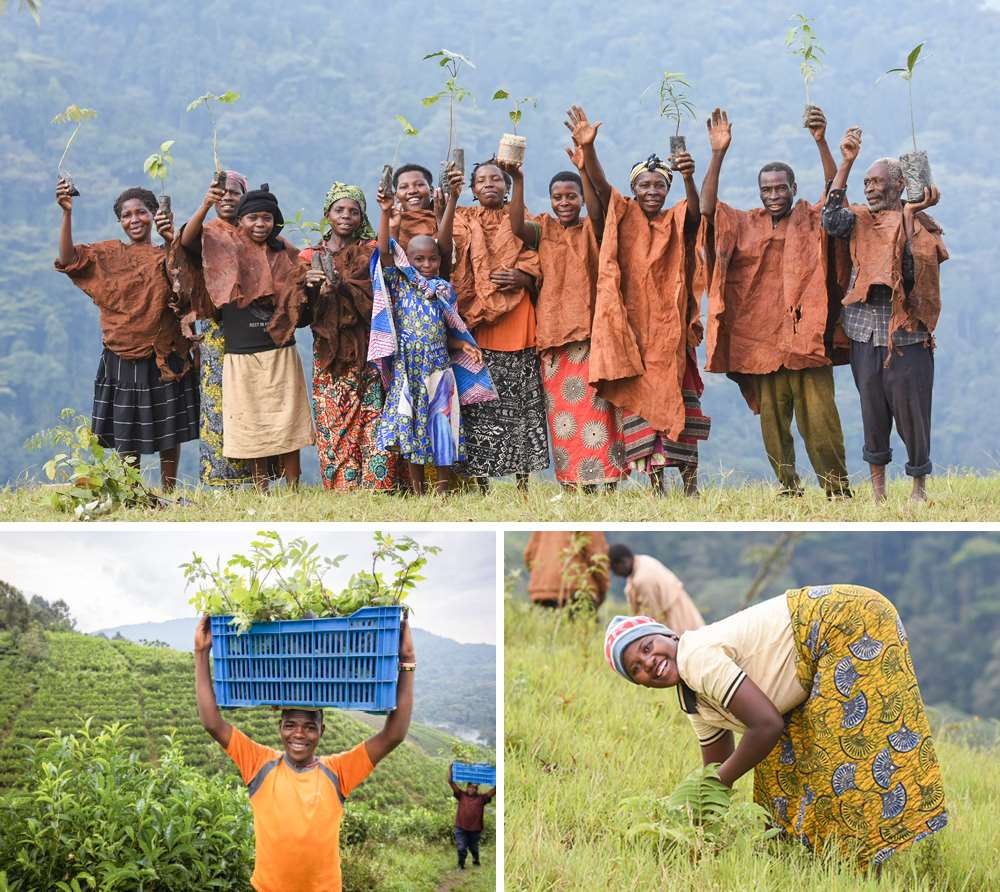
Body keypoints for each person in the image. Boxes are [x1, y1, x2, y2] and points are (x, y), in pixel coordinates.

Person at [604, 584, 947, 867]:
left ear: (667, 635)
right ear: (640, 684)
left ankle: (862, 863)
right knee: (778, 770)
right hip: (820, 649)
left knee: (840, 756)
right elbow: (716, 772)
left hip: (848, 621)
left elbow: (766, 726)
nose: (649, 662)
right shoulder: (692, 698)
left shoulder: (695, 657)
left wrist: (715, 785)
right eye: (636, 669)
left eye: (647, 647)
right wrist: (690, 825)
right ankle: (802, 861)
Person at [194, 613, 415, 892]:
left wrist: (407, 661)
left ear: (322, 730)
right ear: (280, 728)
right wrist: (201, 653)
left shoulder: (338, 771)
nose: (299, 734)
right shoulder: (259, 764)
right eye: (290, 725)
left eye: (310, 727)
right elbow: (212, 723)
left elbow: (393, 735)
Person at [699, 107, 851, 497]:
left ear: (793, 187)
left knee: (821, 420)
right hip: (761, 343)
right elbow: (707, 209)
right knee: (773, 423)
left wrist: (821, 142)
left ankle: (836, 489)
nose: (774, 195)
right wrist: (717, 153)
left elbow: (835, 195)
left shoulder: (811, 218)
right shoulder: (744, 223)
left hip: (806, 339)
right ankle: (788, 486)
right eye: (767, 190)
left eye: (780, 188)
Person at [570, 106, 709, 496]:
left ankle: (691, 485)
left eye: (658, 186)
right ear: (634, 189)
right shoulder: (623, 214)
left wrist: (688, 177)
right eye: (644, 185)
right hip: (633, 337)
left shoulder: (676, 218)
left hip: (671, 336)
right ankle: (656, 487)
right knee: (641, 410)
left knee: (683, 405)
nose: (651, 191)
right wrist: (589, 150)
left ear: (667, 190)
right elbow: (600, 188)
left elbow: (697, 212)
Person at [822, 129, 947, 503]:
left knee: (913, 415)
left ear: (898, 185)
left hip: (907, 337)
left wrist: (909, 215)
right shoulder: (859, 220)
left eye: (877, 182)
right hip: (864, 335)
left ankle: (918, 489)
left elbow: (911, 274)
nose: (870, 189)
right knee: (872, 411)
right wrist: (846, 163)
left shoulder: (922, 226)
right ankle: (879, 493)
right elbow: (831, 219)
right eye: (866, 183)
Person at [54, 180, 198, 492]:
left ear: (155, 214)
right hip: (121, 352)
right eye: (126, 215)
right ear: (120, 221)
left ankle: (169, 491)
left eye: (141, 212)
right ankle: (132, 490)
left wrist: (171, 238)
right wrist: (67, 213)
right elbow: (68, 260)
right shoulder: (108, 255)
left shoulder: (168, 253)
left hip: (164, 351)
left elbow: (190, 284)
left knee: (169, 425)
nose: (134, 220)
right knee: (127, 427)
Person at [504, 136, 627, 490]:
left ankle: (606, 480)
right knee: (563, 415)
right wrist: (518, 180)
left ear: (580, 199)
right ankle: (572, 482)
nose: (564, 203)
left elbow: (598, 210)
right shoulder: (543, 228)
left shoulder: (593, 228)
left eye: (571, 196)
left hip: (589, 335)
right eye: (558, 197)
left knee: (598, 410)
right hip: (554, 337)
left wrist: (584, 170)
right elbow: (517, 227)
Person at [180, 183, 313, 490]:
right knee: (250, 419)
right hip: (240, 350)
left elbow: (301, 290)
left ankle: (293, 487)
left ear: (275, 221)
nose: (259, 224)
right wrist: (205, 205)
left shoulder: (283, 251)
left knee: (288, 416)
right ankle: (259, 486)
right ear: (239, 221)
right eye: (252, 218)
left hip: (279, 347)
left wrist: (312, 284)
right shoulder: (223, 247)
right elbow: (187, 242)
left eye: (266, 218)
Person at [368, 182, 497, 494]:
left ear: (440, 260)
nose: (426, 265)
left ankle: (441, 490)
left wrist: (462, 344)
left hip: (439, 368)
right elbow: (384, 252)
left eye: (432, 259)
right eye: (419, 260)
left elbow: (444, 331)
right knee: (412, 428)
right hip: (408, 369)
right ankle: (417, 491)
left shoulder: (443, 290)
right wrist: (385, 214)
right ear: (408, 261)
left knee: (442, 426)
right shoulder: (399, 285)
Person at [437, 159, 548, 492]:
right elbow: (444, 252)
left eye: (496, 179)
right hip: (476, 327)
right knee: (477, 407)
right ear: (472, 189)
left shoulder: (523, 219)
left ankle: (523, 484)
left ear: (507, 187)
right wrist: (451, 200)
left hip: (517, 322)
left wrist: (524, 277)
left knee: (523, 407)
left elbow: (540, 259)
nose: (489, 184)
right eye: (482, 180)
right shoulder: (463, 218)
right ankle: (481, 484)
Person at [302, 183, 395, 491]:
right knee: (335, 423)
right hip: (330, 355)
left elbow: (381, 285)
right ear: (327, 214)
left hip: (370, 352)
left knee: (374, 420)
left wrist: (385, 213)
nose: (346, 216)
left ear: (361, 216)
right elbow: (299, 314)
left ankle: (377, 488)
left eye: (354, 211)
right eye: (339, 210)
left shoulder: (370, 251)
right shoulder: (310, 256)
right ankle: (343, 489)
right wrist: (309, 287)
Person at [168, 170, 255, 486]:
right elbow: (185, 241)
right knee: (217, 400)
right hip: (217, 330)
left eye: (235, 192)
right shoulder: (209, 232)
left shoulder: (254, 232)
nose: (228, 197)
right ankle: (219, 477)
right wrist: (205, 205)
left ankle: (255, 476)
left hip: (251, 329)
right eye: (223, 192)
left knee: (250, 400)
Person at [608, 543, 704, 632]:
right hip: (685, 614)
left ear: (624, 562)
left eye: (614, 569)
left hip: (678, 621)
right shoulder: (643, 560)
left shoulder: (643, 580)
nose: (615, 573)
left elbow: (652, 618)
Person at [524, 531, 608, 608]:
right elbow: (597, 556)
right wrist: (603, 588)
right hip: (578, 588)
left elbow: (530, 554)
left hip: (543, 592)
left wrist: (540, 578)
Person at [447, 763, 496, 870]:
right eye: (470, 787)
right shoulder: (461, 795)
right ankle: (461, 865)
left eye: (474, 788)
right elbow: (450, 782)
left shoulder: (482, 798)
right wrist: (450, 768)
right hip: (460, 827)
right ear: (467, 787)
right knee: (461, 847)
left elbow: (495, 790)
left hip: (475, 829)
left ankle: (476, 860)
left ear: (476, 789)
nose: (471, 789)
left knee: (474, 848)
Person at [390, 163, 442, 253]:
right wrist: (393, 228)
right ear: (396, 196)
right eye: (404, 187)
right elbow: (387, 256)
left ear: (431, 191)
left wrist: (441, 218)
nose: (412, 191)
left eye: (419, 184)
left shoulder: (453, 217)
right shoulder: (391, 226)